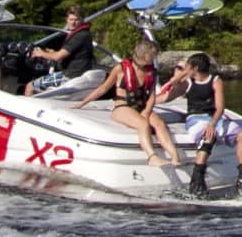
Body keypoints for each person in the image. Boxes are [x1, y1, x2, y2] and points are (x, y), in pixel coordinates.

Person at [74, 34, 181, 167]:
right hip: (122, 108)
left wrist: (147, 111)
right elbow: (103, 88)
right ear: (144, 54)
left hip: (141, 107)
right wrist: (82, 103)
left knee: (159, 123)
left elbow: (152, 95)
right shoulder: (121, 69)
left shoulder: (150, 71)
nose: (154, 58)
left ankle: (175, 158)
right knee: (143, 124)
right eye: (152, 55)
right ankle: (152, 157)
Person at [157, 52, 242, 194]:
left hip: (214, 118)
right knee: (208, 136)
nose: (185, 70)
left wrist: (213, 123)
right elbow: (167, 96)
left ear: (194, 68)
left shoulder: (215, 81)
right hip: (196, 119)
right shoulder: (188, 83)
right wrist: (148, 102)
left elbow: (220, 107)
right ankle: (198, 176)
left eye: (187, 67)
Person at [25, 9, 97, 93]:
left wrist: (40, 53)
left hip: (70, 76)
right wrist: (50, 52)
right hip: (77, 74)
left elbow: (57, 57)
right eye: (71, 19)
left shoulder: (80, 36)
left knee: (30, 86)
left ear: (82, 20)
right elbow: (68, 53)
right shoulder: (84, 33)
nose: (73, 23)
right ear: (67, 20)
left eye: (76, 20)